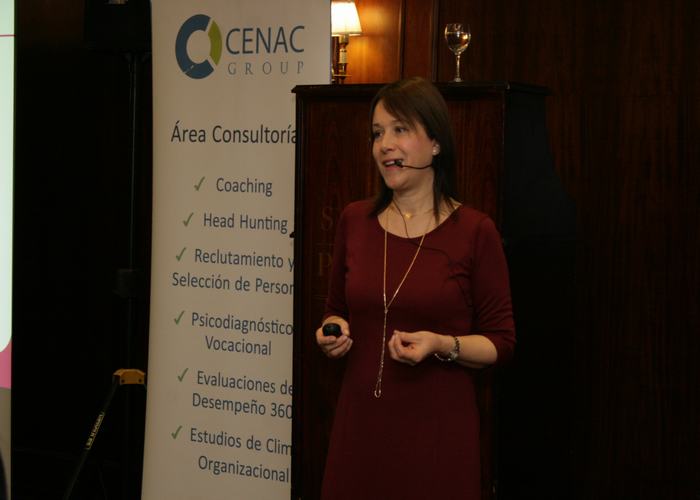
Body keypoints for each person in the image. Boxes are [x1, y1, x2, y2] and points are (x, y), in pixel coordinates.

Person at [314, 77, 516, 499]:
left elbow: (501, 343)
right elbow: (335, 308)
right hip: (360, 427)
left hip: (437, 435)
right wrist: (332, 332)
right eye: (377, 133)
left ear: (436, 142)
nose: (385, 144)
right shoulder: (354, 221)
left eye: (400, 129)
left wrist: (441, 344)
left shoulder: (475, 231)